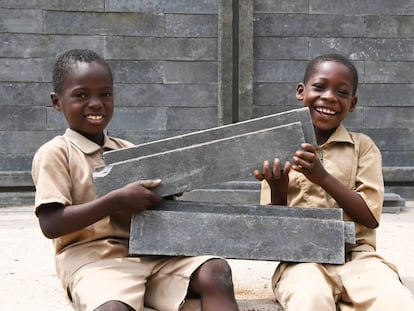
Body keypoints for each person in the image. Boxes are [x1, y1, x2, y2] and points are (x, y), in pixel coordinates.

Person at [31, 49, 239, 311]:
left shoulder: (126, 150)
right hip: (94, 262)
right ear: (57, 102)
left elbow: (151, 207)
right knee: (113, 308)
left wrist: (166, 192)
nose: (96, 103)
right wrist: (116, 200)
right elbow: (51, 224)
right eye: (81, 95)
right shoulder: (56, 153)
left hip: (149, 256)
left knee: (215, 271)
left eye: (105, 94)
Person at [253, 53, 414, 310]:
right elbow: (273, 235)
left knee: (397, 302)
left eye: (342, 92)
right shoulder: (278, 150)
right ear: (300, 91)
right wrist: (277, 189)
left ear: (352, 103)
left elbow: (370, 216)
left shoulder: (363, 147)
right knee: (310, 299)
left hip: (359, 258)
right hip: (301, 261)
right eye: (319, 87)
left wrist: (323, 177)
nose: (329, 97)